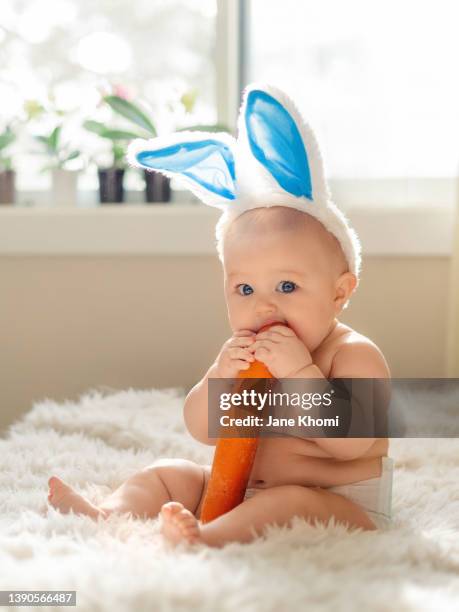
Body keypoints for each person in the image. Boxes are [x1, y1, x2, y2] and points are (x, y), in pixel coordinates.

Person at [48, 84, 394, 548]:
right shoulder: (245, 354)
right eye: (244, 288)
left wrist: (300, 373)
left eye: (287, 286)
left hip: (337, 504)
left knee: (288, 502)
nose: (263, 306)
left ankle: (205, 541)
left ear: (340, 292)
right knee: (171, 474)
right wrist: (219, 376)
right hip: (241, 487)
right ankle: (108, 513)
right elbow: (201, 429)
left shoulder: (353, 355)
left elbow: (353, 443)